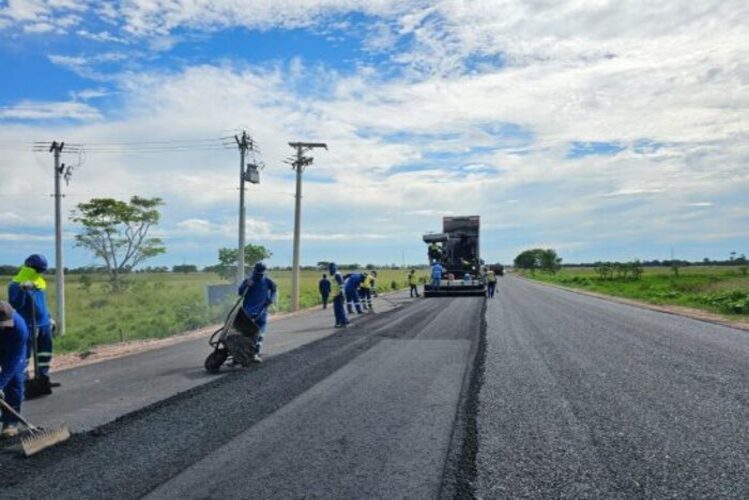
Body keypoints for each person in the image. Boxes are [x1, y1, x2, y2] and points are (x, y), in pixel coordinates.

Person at [8, 254, 53, 380]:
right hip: (28, 324)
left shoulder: (40, 282)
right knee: (24, 353)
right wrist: (22, 290)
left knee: (45, 351)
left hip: (44, 323)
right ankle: (24, 380)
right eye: (37, 270)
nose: (39, 273)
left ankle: (43, 376)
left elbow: (42, 303)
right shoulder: (15, 285)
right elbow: (15, 304)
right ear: (29, 267)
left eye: (41, 271)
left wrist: (49, 317)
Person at [233, 262, 277, 364]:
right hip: (247, 314)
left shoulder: (267, 281)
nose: (259, 275)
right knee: (246, 335)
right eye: (258, 272)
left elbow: (274, 290)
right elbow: (240, 292)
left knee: (260, 334)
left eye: (261, 273)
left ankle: (254, 354)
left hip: (262, 312)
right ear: (254, 271)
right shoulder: (248, 281)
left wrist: (271, 298)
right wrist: (245, 285)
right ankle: (239, 354)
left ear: (264, 272)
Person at [0, 301, 28, 438]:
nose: (3, 328)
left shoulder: (19, 328)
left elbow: (12, 362)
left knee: (14, 381)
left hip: (11, 350)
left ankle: (10, 422)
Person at [329, 263, 348, 328]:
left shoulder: (337, 275)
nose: (330, 269)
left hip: (339, 295)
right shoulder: (335, 275)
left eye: (331, 268)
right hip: (336, 295)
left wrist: (342, 293)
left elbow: (341, 284)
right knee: (339, 309)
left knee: (338, 309)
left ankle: (341, 323)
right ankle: (343, 321)